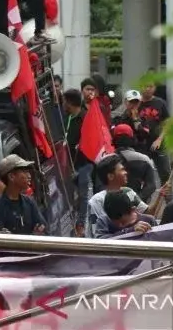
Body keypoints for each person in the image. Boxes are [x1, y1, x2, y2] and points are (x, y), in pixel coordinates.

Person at [86, 154, 148, 238]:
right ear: (110, 176)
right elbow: (99, 236)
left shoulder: (128, 191)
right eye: (122, 170)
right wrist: (130, 231)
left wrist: (161, 195)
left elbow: (147, 213)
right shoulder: (96, 201)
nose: (126, 172)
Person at [0, 155, 46, 235]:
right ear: (11, 177)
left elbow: (43, 229)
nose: (29, 176)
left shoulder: (30, 203)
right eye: (24, 172)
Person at [61, 88, 93, 236]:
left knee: (82, 194)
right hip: (67, 163)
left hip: (83, 163)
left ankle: (81, 224)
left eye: (64, 101)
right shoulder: (65, 117)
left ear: (69, 103)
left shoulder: (86, 118)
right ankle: (71, 222)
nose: (63, 104)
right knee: (68, 194)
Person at [112, 124, 160, 203]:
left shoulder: (106, 160)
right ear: (132, 139)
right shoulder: (144, 159)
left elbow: (99, 187)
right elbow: (151, 186)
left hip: (112, 204)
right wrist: (136, 202)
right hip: (138, 205)